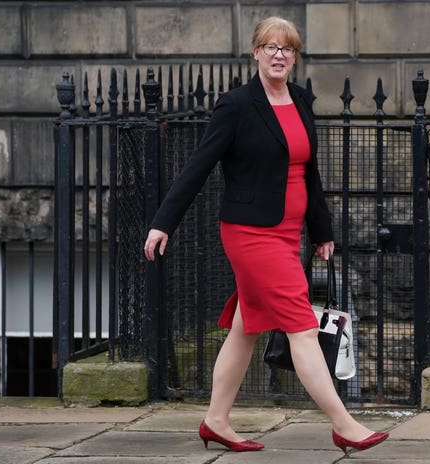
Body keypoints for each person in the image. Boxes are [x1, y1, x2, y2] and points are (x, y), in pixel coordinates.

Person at [143, 16, 389, 455]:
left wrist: (322, 229)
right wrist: (163, 221)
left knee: (245, 329)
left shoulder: (299, 99)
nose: (279, 55)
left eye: (288, 48)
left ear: (294, 57)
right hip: (250, 233)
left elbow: (309, 171)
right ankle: (344, 424)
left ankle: (215, 420)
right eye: (271, 47)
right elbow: (198, 165)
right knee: (302, 326)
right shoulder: (236, 105)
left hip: (288, 232)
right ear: (255, 52)